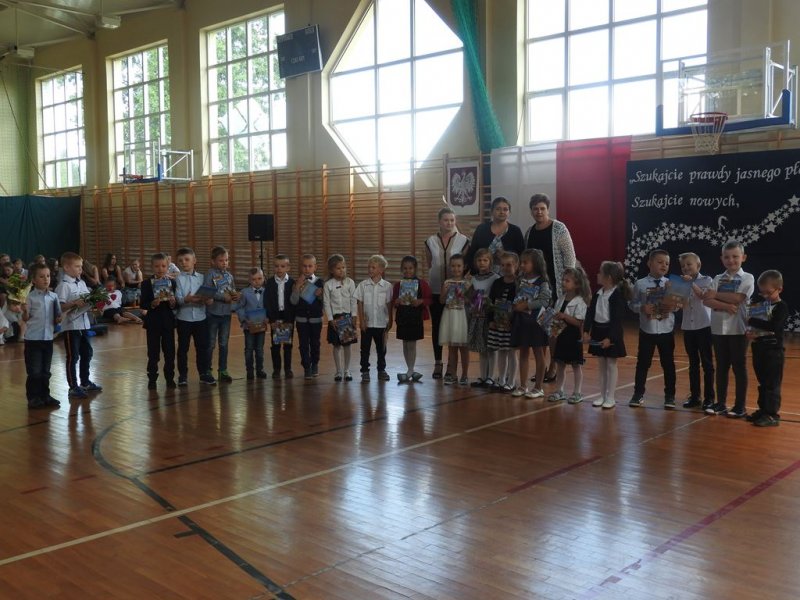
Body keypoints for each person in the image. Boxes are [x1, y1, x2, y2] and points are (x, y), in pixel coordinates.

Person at [524, 193, 577, 382]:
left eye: (542, 208)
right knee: (539, 328)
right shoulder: (529, 232)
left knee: (553, 329)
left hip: (556, 286)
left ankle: (554, 367)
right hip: (536, 288)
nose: (539, 212)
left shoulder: (559, 228)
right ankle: (542, 367)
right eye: (535, 209)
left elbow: (569, 257)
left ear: (548, 209)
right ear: (531, 211)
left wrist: (568, 283)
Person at [702, 240, 754, 418]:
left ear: (743, 257)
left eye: (735, 256)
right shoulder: (717, 278)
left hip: (738, 330)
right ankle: (721, 403)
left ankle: (740, 406)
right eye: (727, 257)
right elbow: (706, 300)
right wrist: (724, 305)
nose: (731, 260)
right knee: (722, 367)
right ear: (721, 258)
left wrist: (716, 295)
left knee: (739, 367)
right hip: (718, 330)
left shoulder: (748, 278)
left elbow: (738, 299)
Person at [628, 249, 678, 410]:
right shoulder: (640, 284)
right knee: (643, 363)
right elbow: (632, 304)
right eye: (660, 262)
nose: (664, 265)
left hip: (666, 331)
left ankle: (670, 396)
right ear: (649, 263)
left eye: (667, 263)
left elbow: (678, 306)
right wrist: (642, 308)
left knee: (668, 364)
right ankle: (638, 394)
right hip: (647, 331)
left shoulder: (671, 283)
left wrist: (672, 305)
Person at [425, 207, 470, 379]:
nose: (449, 223)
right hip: (437, 290)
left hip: (457, 291)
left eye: (452, 220)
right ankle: (438, 363)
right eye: (445, 220)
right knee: (437, 327)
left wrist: (459, 285)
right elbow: (429, 263)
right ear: (439, 221)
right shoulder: (430, 241)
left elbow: (464, 265)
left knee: (455, 327)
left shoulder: (464, 240)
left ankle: (452, 367)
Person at [583, 261, 630, 409]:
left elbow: (617, 319)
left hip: (611, 332)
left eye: (600, 272)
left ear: (608, 277)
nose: (597, 274)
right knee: (602, 365)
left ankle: (611, 397)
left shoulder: (617, 295)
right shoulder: (598, 294)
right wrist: (586, 331)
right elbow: (590, 314)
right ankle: (602, 395)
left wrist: (610, 338)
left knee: (611, 364)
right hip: (598, 331)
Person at [56, 251, 102, 399]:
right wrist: (74, 303)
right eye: (77, 266)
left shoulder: (81, 283)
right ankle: (73, 386)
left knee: (87, 353)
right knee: (73, 356)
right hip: (71, 326)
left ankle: (85, 382)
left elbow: (87, 300)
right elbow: (60, 307)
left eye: (81, 266)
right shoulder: (63, 286)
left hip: (84, 324)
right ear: (66, 267)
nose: (80, 269)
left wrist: (94, 303)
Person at [745, 270, 787, 427]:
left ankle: (772, 414)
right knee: (762, 382)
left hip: (773, 351)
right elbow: (757, 328)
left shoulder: (781, 307)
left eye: (768, 293)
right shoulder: (761, 306)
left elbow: (774, 326)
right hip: (759, 348)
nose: (765, 296)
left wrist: (752, 321)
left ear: (779, 289)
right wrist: (751, 332)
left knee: (772, 384)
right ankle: (763, 410)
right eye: (762, 293)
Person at [510, 248, 551, 398]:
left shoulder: (543, 282)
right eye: (521, 262)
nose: (522, 265)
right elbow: (517, 296)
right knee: (523, 352)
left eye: (525, 263)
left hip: (536, 323)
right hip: (522, 321)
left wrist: (527, 305)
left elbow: (544, 301)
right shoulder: (521, 280)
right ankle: (523, 386)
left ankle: (538, 387)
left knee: (539, 353)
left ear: (536, 264)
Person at [20, 263, 62, 408]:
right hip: (33, 339)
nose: (46, 279)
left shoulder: (53, 296)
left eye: (48, 276)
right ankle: (33, 397)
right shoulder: (30, 297)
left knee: (46, 371)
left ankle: (45, 395)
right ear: (33, 280)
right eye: (42, 276)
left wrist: (58, 319)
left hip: (48, 339)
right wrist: (25, 311)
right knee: (34, 371)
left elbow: (57, 316)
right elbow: (25, 318)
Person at [548, 266, 590, 404]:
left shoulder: (580, 301)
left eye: (567, 281)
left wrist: (564, 316)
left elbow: (578, 322)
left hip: (573, 337)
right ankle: (559, 390)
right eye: (563, 280)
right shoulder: (560, 299)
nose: (563, 282)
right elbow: (557, 317)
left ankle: (577, 392)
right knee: (560, 365)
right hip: (561, 336)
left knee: (576, 366)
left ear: (577, 284)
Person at [678, 252, 715, 410]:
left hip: (704, 326)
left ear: (698, 266)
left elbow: (704, 297)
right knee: (693, 364)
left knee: (707, 363)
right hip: (688, 327)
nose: (686, 268)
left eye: (689, 264)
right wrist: (674, 297)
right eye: (683, 266)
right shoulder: (680, 282)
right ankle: (695, 396)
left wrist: (691, 283)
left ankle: (709, 398)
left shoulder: (707, 280)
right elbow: (680, 305)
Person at [175, 247, 215, 386]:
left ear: (194, 261)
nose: (184, 263)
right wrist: (186, 299)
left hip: (200, 318)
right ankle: (183, 375)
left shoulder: (203, 278)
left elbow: (209, 298)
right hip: (183, 319)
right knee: (183, 348)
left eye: (187, 259)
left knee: (202, 347)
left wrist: (208, 300)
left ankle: (203, 374)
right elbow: (178, 299)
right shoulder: (178, 279)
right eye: (180, 260)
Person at [140, 253, 178, 390]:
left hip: (168, 322)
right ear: (152, 267)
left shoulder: (172, 283)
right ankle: (152, 379)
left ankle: (170, 378)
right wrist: (152, 304)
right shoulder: (146, 283)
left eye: (163, 266)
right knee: (153, 353)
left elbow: (176, 306)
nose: (160, 269)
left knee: (169, 352)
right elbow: (143, 304)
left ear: (168, 267)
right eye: (157, 266)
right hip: (153, 323)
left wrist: (173, 303)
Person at [393, 255, 432, 383]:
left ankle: (410, 369)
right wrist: (396, 302)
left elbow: (429, 299)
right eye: (405, 268)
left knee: (412, 344)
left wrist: (420, 301)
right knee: (405, 343)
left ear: (415, 269)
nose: (407, 271)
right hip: (403, 316)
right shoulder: (398, 285)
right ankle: (410, 369)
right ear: (401, 269)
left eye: (410, 268)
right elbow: (394, 301)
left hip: (415, 316)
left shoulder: (422, 284)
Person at [355, 254, 393, 383]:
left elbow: (389, 305)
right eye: (369, 267)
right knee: (364, 349)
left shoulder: (388, 286)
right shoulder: (363, 285)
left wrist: (390, 320)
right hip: (367, 324)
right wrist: (361, 320)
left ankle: (381, 370)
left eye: (373, 267)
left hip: (381, 324)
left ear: (381, 270)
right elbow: (360, 303)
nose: (370, 269)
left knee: (381, 349)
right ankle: (365, 371)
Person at [204, 245, 239, 383]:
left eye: (226, 260)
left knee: (224, 344)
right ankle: (207, 370)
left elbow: (232, 291)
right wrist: (222, 297)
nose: (224, 263)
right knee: (210, 344)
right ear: (213, 261)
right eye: (221, 260)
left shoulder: (229, 276)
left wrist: (235, 296)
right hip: (212, 314)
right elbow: (207, 292)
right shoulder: (210, 274)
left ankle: (223, 370)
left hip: (226, 315)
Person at [465, 196, 525, 275]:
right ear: (492, 211)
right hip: (483, 276)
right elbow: (473, 253)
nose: (502, 212)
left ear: (509, 212)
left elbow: (522, 255)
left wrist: (506, 255)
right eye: (498, 209)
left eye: (505, 209)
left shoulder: (515, 231)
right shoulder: (481, 229)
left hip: (509, 276)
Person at [487, 252, 520, 392]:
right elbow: (491, 302)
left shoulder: (519, 284)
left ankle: (511, 381)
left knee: (511, 352)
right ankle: (501, 379)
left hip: (511, 326)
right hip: (497, 324)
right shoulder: (497, 283)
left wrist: (512, 321)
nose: (505, 268)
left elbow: (520, 305)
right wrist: (490, 320)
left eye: (509, 265)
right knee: (501, 351)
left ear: (516, 266)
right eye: (502, 265)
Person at [467, 248, 499, 387]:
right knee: (482, 347)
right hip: (478, 315)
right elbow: (471, 297)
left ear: (490, 262)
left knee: (491, 347)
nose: (482, 263)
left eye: (485, 260)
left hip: (489, 315)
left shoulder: (495, 278)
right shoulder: (473, 278)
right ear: (475, 262)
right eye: (479, 260)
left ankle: (491, 376)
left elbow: (496, 296)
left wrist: (487, 301)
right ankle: (483, 376)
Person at [324, 254, 358, 382]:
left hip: (347, 317)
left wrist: (354, 315)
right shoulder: (328, 284)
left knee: (347, 346)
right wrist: (330, 319)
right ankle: (338, 371)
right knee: (337, 346)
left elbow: (353, 300)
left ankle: (347, 370)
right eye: (338, 268)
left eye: (343, 267)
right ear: (332, 270)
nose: (342, 270)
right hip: (335, 318)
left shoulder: (350, 282)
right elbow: (326, 303)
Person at [291, 254, 324, 379]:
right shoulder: (296, 282)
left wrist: (320, 296)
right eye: (304, 266)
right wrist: (297, 287)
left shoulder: (320, 282)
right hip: (301, 320)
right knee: (303, 344)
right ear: (301, 267)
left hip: (316, 319)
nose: (307, 269)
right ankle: (306, 367)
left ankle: (315, 364)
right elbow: (293, 301)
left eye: (310, 266)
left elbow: (325, 302)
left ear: (315, 267)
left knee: (315, 343)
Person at [439, 253, 471, 385]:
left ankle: (465, 375)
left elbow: (471, 302)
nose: (456, 269)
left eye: (459, 266)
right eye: (453, 266)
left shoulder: (467, 283)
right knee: (452, 348)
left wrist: (464, 294)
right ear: (449, 267)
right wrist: (445, 291)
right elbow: (441, 301)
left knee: (464, 347)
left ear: (464, 267)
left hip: (462, 316)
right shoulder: (447, 282)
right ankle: (453, 374)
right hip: (450, 315)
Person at [236, 267, 269, 381]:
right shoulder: (244, 292)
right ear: (249, 280)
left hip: (261, 326)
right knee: (249, 349)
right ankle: (249, 370)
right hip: (249, 326)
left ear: (263, 279)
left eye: (259, 278)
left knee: (259, 349)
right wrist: (244, 319)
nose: (257, 281)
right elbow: (239, 307)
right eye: (254, 279)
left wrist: (268, 318)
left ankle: (260, 370)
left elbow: (269, 307)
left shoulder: (267, 292)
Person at [265, 254, 295, 379]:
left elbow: (294, 302)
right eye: (276, 266)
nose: (279, 269)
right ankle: (276, 370)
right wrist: (271, 319)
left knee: (288, 344)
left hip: (288, 317)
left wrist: (292, 319)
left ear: (288, 267)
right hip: (275, 317)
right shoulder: (270, 283)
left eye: (282, 266)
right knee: (276, 345)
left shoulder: (292, 283)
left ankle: (288, 369)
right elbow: (267, 301)